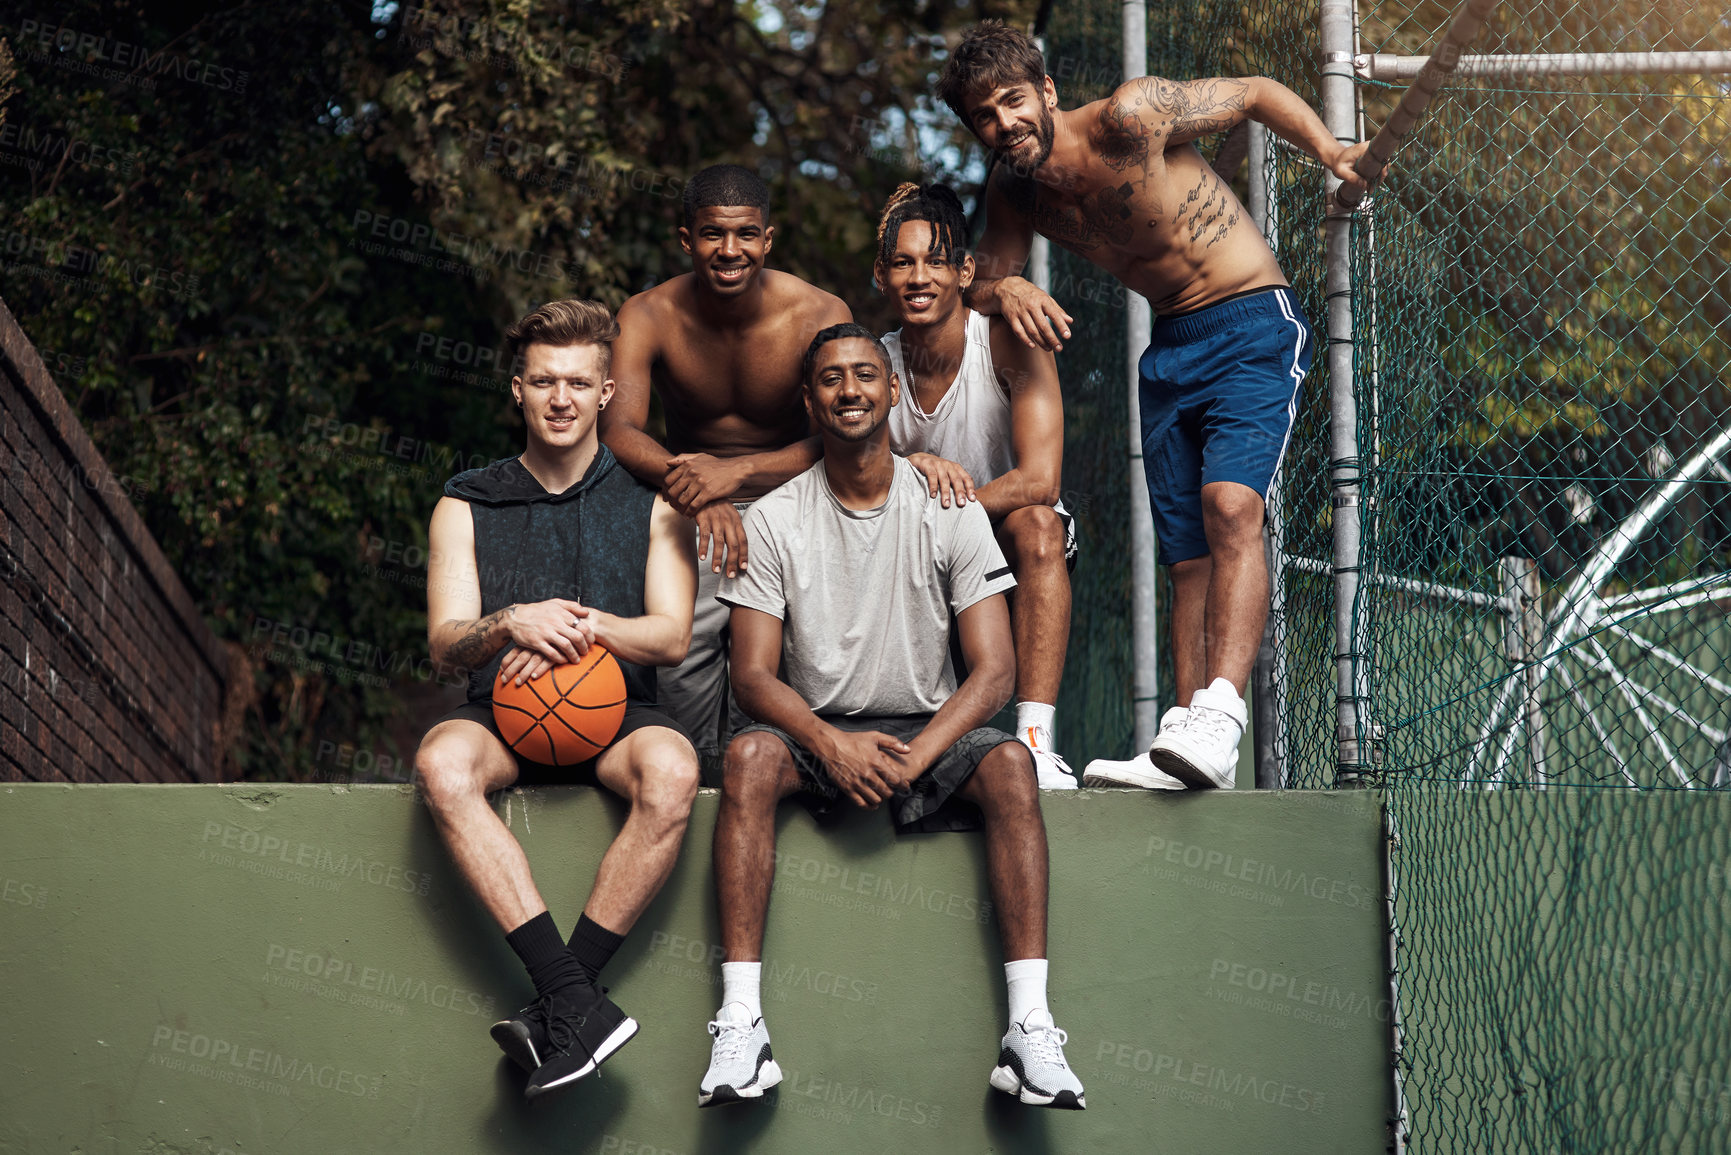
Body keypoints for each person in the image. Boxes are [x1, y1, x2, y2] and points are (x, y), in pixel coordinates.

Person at [937, 21, 1375, 790]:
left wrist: (1331, 152)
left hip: (1247, 319)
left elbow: (1255, 93)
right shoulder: (1015, 190)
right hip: (1168, 349)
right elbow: (976, 278)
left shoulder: (1129, 118)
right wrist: (1004, 286)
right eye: (983, 115)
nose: (1003, 121)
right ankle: (1182, 741)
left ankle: (1222, 713)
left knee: (1231, 506)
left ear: (1044, 91)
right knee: (1185, 560)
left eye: (1012, 99)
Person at [696, 324, 1086, 1111]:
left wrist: (921, 753)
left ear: (890, 392)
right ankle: (740, 1025)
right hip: (814, 728)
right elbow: (751, 677)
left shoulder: (948, 505)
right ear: (809, 400)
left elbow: (995, 670)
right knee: (745, 759)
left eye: (866, 375)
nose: (849, 390)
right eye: (831, 379)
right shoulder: (772, 518)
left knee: (1010, 764)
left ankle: (1029, 1030)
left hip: (926, 728)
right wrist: (829, 743)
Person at [414, 299, 699, 1099]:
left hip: (615, 715)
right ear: (517, 390)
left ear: (607, 392)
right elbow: (444, 644)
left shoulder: (654, 497)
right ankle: (576, 1001)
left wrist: (572, 628)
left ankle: (563, 1003)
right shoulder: (466, 500)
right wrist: (510, 621)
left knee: (673, 772)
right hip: (502, 713)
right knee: (440, 765)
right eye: (544, 381)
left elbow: (670, 636)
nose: (561, 398)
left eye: (579, 382)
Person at [602, 164, 852, 778]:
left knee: (780, 684)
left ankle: (768, 798)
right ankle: (681, 795)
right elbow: (618, 430)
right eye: (713, 234)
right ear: (687, 240)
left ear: (769, 239)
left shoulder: (818, 313)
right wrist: (697, 492)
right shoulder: (648, 314)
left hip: (792, 506)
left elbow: (845, 435)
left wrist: (733, 478)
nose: (730, 250)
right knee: (682, 682)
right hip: (689, 507)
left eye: (745, 234)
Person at [874, 181, 1079, 791]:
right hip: (912, 553)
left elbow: (1040, 479)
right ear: (881, 276)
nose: (919, 278)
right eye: (903, 263)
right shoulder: (872, 364)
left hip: (1004, 540)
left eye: (936, 261)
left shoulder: (1008, 338)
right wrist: (910, 466)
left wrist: (942, 510)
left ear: (965, 270)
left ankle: (1037, 740)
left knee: (1041, 522)